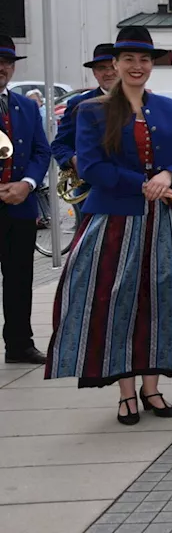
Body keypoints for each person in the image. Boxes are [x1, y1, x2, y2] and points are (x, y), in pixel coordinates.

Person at [45, 27, 172, 424]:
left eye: (145, 59)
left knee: (162, 301)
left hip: (166, 221)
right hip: (116, 219)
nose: (137, 66)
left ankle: (152, 387)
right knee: (116, 302)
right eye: (129, 59)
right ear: (114, 65)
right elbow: (93, 167)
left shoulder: (169, 108)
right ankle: (126, 392)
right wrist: (143, 183)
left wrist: (168, 175)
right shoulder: (93, 110)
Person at [0, 36, 51, 365]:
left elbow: (41, 150)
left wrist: (28, 184)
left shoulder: (26, 105)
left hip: (20, 205)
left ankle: (19, 344)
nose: (2, 68)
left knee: (20, 278)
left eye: (7, 62)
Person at [52, 44, 119, 186]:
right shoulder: (79, 103)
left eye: (113, 67)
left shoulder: (139, 101)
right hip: (90, 188)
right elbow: (60, 145)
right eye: (102, 68)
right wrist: (73, 160)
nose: (108, 73)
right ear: (94, 72)